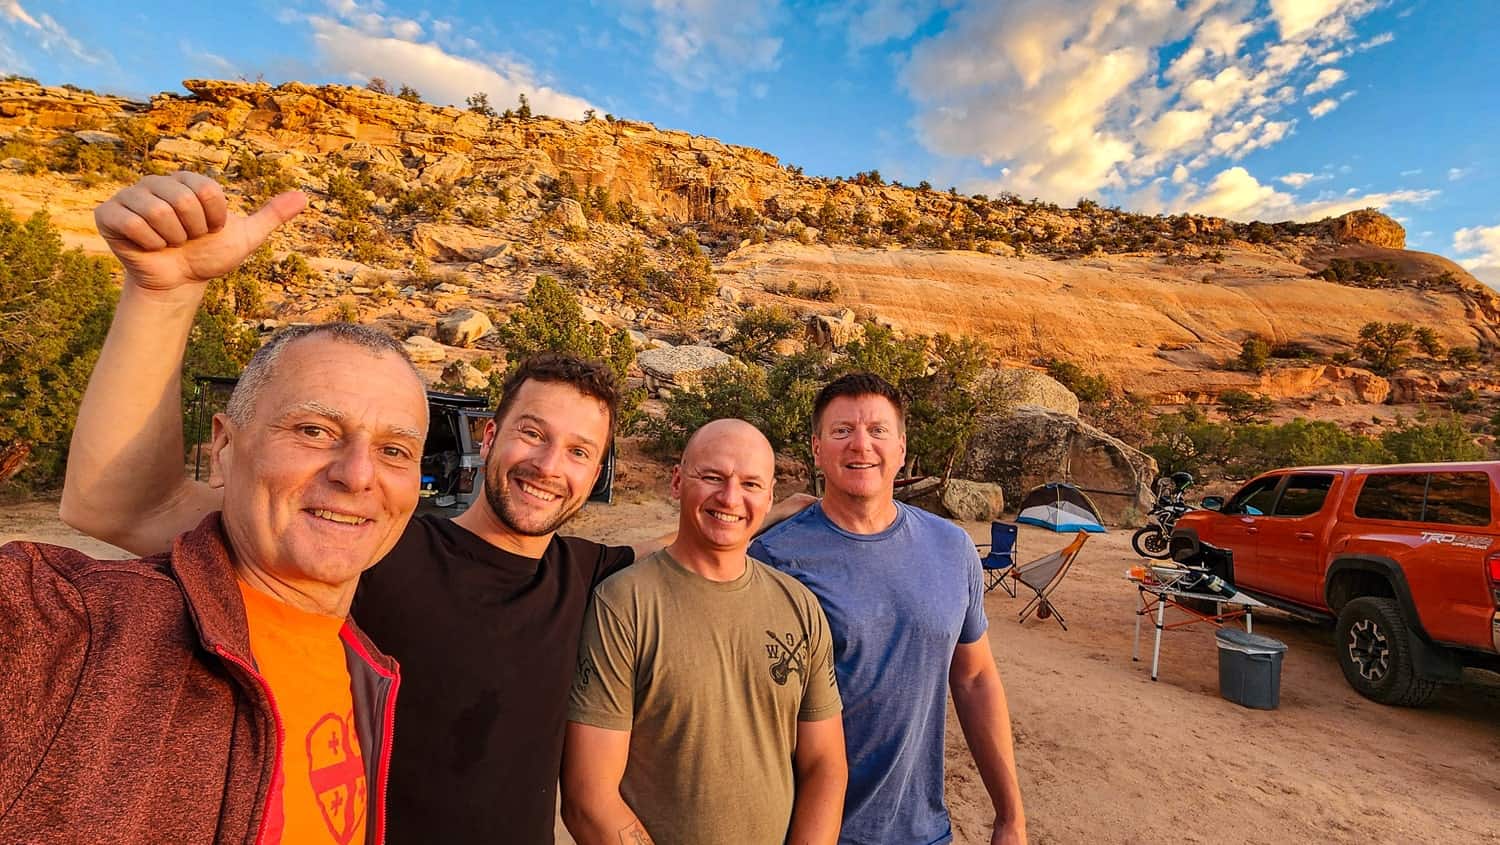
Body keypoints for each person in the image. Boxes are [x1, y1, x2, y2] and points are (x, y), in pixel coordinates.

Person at [58, 172, 808, 843]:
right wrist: (162, 294)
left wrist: (785, 508)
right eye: (533, 434)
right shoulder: (376, 547)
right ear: (490, 435)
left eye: (580, 451)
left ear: (597, 470)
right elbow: (119, 502)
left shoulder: (590, 574)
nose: (550, 466)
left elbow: (694, 541)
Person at [3, 260, 424, 844]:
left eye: (395, 450)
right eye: (312, 431)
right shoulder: (79, 628)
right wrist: (161, 296)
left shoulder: (363, 667)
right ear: (224, 447)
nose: (357, 475)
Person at [750, 373, 1027, 845]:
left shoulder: (951, 546)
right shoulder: (774, 558)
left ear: (901, 448)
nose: (861, 445)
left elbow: (975, 677)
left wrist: (1010, 817)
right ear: (817, 449)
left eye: (877, 430)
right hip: (805, 831)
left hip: (923, 830)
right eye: (842, 431)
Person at [562, 419, 846, 845]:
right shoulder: (622, 606)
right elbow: (588, 798)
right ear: (677, 482)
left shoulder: (799, 607)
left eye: (750, 484)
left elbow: (825, 764)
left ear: (770, 498)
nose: (730, 497)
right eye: (712, 477)